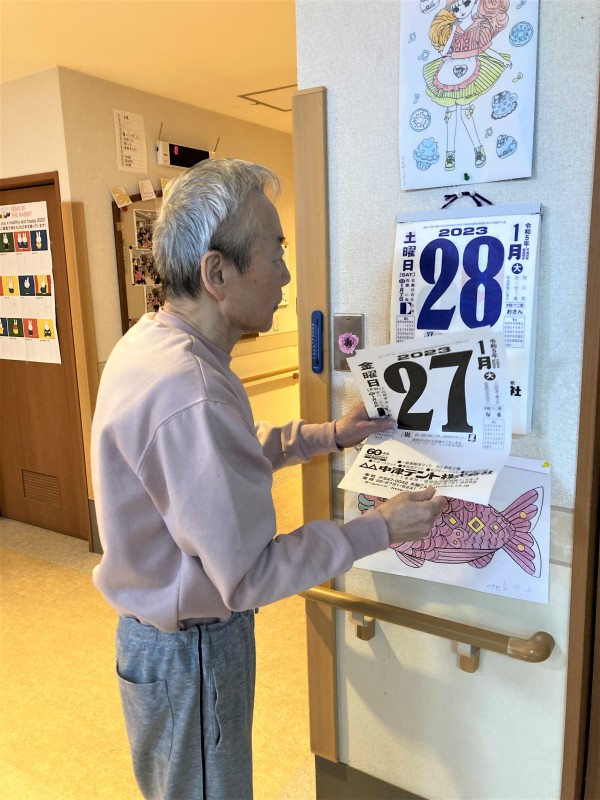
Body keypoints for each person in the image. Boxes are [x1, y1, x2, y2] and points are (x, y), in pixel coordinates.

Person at [91, 158, 446, 800]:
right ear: (217, 274)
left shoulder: (157, 345)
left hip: (162, 645)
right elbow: (250, 574)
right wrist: (379, 528)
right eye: (276, 252)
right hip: (191, 654)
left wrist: (328, 434)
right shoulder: (189, 389)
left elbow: (222, 460)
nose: (286, 274)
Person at [423, 0, 511, 170]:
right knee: (451, 113)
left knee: (466, 112)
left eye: (466, 3)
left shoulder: (480, 27)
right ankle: (450, 153)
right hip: (449, 69)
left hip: (470, 67)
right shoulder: (453, 27)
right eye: (455, 8)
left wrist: (502, 60)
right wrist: (449, 36)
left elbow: (486, 49)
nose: (461, 9)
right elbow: (444, 51)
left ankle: (478, 148)